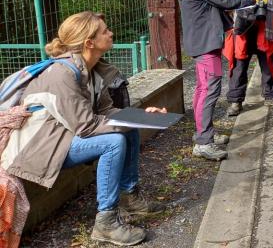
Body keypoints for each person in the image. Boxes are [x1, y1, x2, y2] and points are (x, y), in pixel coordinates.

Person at [1, 12, 164, 246]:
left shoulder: (94, 69)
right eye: (105, 31)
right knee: (114, 141)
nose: (111, 33)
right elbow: (86, 126)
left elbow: (107, 111)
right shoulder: (62, 74)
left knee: (130, 127)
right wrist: (125, 122)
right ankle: (106, 222)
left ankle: (130, 198)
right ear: (89, 42)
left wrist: (140, 117)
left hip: (63, 137)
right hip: (40, 147)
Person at [169, 0, 256, 161]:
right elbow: (227, 1)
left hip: (199, 41)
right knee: (209, 90)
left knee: (201, 89)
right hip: (206, 43)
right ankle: (203, 142)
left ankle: (203, 133)